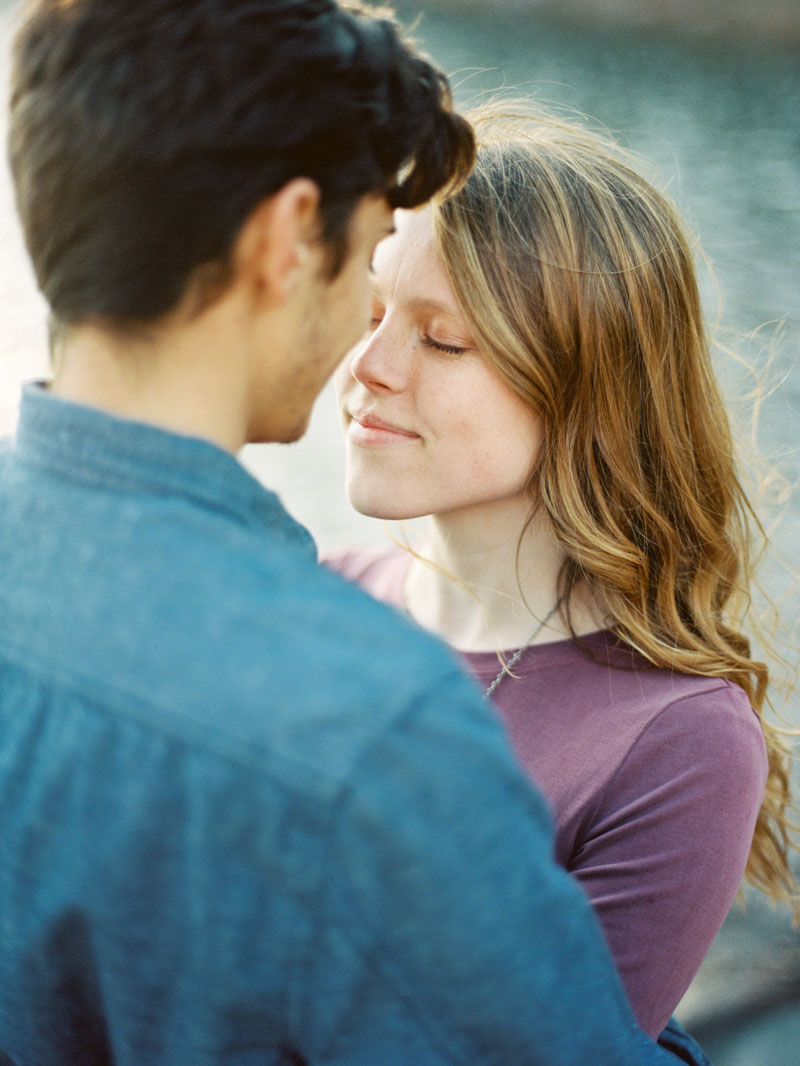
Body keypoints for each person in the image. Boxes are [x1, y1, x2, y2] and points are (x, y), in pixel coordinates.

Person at [0, 2, 703, 1063]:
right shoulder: (374, 725)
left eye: (439, 335)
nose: (360, 354)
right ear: (289, 238)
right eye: (368, 258)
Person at [331, 106, 798, 1042]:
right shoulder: (317, 604)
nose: (368, 366)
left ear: (586, 384)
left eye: (443, 338)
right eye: (370, 313)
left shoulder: (680, 745)